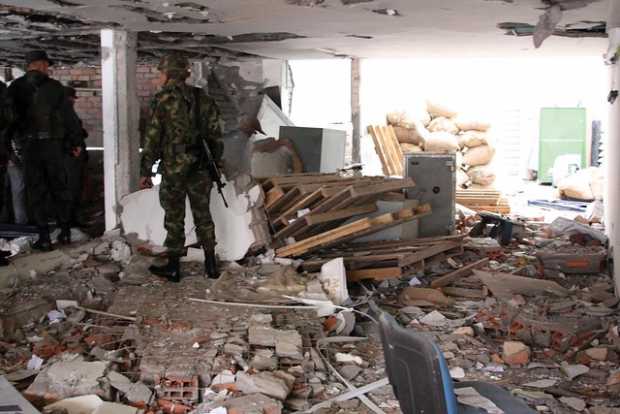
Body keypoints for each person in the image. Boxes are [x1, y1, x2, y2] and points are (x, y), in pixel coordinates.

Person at [140, 53, 223, 283]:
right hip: (200, 165)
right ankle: (211, 266)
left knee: (174, 216)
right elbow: (216, 135)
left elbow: (152, 138)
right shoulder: (202, 97)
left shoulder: (162, 99)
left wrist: (146, 170)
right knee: (203, 215)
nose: (159, 77)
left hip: (174, 167)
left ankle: (174, 267)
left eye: (161, 73)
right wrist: (215, 163)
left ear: (168, 73)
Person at [8, 50, 82, 250]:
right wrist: (75, 142)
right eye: (46, 65)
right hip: (52, 146)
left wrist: (9, 148)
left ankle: (44, 238)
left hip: (29, 147)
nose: (47, 68)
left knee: (36, 191)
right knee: (59, 187)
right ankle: (64, 233)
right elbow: (69, 117)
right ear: (40, 65)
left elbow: (8, 121)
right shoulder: (55, 87)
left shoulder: (15, 88)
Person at [64, 86, 89, 227]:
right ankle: (70, 221)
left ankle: (73, 219)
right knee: (72, 189)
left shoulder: (68, 112)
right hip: (70, 158)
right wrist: (72, 149)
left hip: (75, 157)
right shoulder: (61, 113)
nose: (73, 101)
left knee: (76, 188)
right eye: (71, 98)